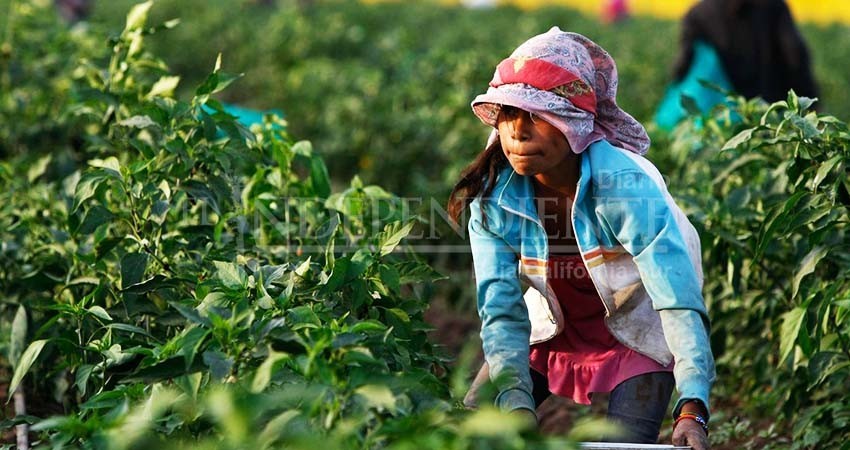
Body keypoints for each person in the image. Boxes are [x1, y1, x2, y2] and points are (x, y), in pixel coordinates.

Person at [447, 27, 715, 449]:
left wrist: (693, 407)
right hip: (553, 328)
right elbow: (500, 311)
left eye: (536, 115)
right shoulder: (493, 198)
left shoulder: (627, 188)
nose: (517, 132)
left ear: (575, 123)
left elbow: (676, 301)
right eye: (509, 114)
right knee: (475, 428)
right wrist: (516, 404)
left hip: (637, 330)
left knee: (625, 444)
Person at [655, 0, 819, 130]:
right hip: (770, 112)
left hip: (723, 115)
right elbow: (795, 56)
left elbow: (684, 66)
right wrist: (810, 100)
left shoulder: (699, 13)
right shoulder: (774, 7)